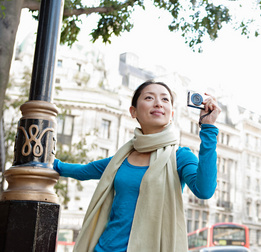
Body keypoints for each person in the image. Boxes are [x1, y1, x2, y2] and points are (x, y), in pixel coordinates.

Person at [53, 80, 221, 252]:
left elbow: (205, 190)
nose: (158, 103)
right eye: (149, 97)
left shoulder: (181, 157)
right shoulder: (121, 157)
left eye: (165, 100)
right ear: (133, 112)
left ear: (172, 113)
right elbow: (84, 171)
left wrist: (208, 128)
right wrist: (50, 164)